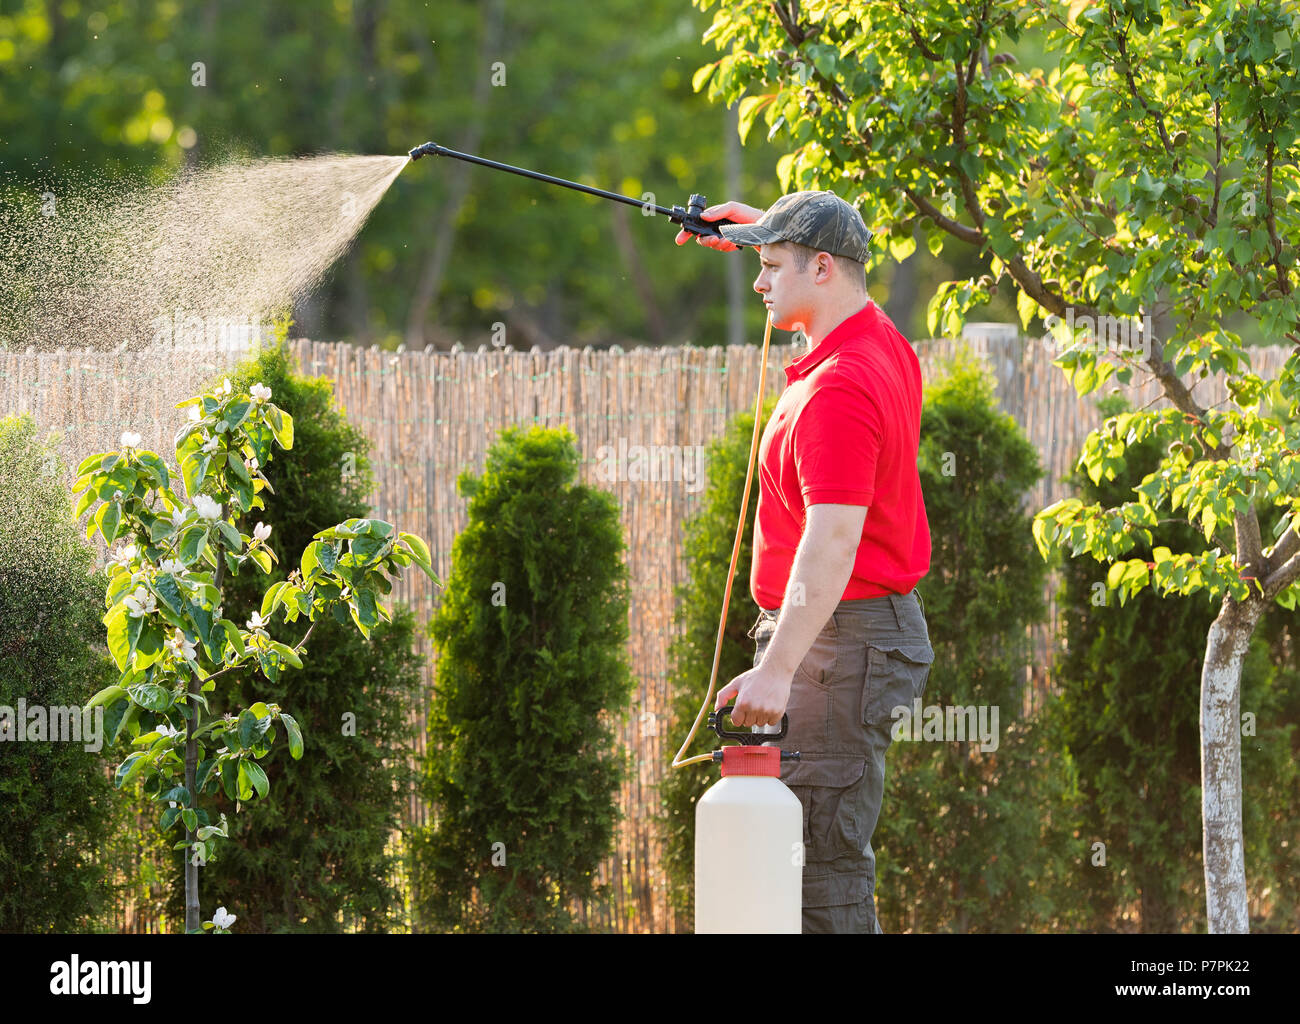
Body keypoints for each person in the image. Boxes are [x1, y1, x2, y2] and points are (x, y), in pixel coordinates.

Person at [676, 191, 933, 934]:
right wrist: (762, 229)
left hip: (837, 646)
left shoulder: (838, 389)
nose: (758, 282)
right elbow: (822, 263)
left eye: (771, 267)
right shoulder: (872, 336)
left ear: (823, 268)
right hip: (846, 636)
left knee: (818, 872)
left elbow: (834, 541)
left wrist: (780, 669)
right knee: (802, 863)